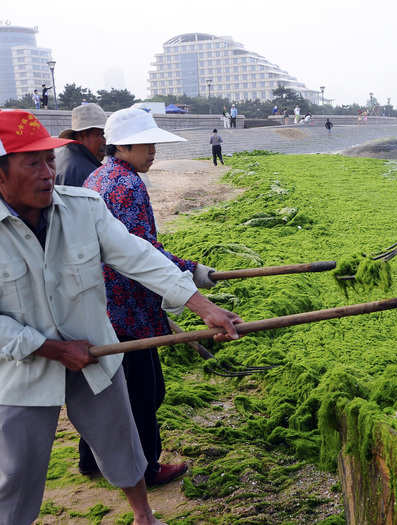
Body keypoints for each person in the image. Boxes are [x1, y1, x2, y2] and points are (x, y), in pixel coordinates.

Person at [0, 110, 242, 525]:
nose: (48, 173)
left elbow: (139, 255)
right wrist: (51, 348)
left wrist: (201, 306)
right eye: (32, 163)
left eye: (49, 160)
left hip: (96, 350)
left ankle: (143, 516)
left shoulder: (83, 208)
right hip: (22, 365)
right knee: (16, 471)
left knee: (123, 442)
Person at [82, 108, 222, 487]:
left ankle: (91, 460)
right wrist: (190, 271)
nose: (154, 151)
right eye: (147, 143)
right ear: (123, 145)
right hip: (130, 305)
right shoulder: (126, 184)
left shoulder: (99, 176)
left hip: (105, 303)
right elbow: (139, 250)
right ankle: (146, 467)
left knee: (111, 384)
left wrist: (187, 271)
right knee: (145, 391)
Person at [55, 103, 107, 186]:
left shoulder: (61, 154)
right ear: (83, 135)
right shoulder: (86, 172)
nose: (105, 142)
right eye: (100, 135)